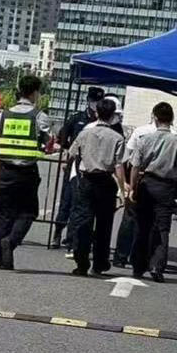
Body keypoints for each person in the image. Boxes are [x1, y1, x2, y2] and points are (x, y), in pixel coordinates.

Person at [0, 74, 50, 270]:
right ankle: (11, 241)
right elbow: (48, 144)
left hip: (5, 170)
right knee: (28, 212)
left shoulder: (3, 115)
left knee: (2, 213)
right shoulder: (39, 117)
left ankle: (1, 257)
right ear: (35, 93)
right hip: (27, 172)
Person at [128, 102, 177, 283]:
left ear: (155, 118)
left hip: (146, 184)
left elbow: (135, 166)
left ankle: (138, 266)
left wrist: (132, 188)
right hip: (167, 187)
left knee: (143, 226)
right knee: (162, 228)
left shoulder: (144, 139)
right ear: (172, 120)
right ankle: (157, 266)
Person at [68, 98, 126, 276]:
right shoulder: (117, 138)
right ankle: (100, 263)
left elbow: (71, 154)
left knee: (82, 223)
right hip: (106, 182)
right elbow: (119, 166)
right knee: (104, 225)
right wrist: (122, 189)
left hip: (86, 180)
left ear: (96, 113)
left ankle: (81, 262)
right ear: (113, 115)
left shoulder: (85, 133)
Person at [52, 86, 104, 249]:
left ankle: (72, 238)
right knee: (66, 200)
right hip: (74, 163)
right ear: (88, 101)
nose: (95, 104)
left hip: (91, 166)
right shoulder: (77, 119)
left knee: (80, 204)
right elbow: (62, 139)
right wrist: (67, 154)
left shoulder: (102, 123)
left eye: (99, 101)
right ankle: (57, 232)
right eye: (94, 101)